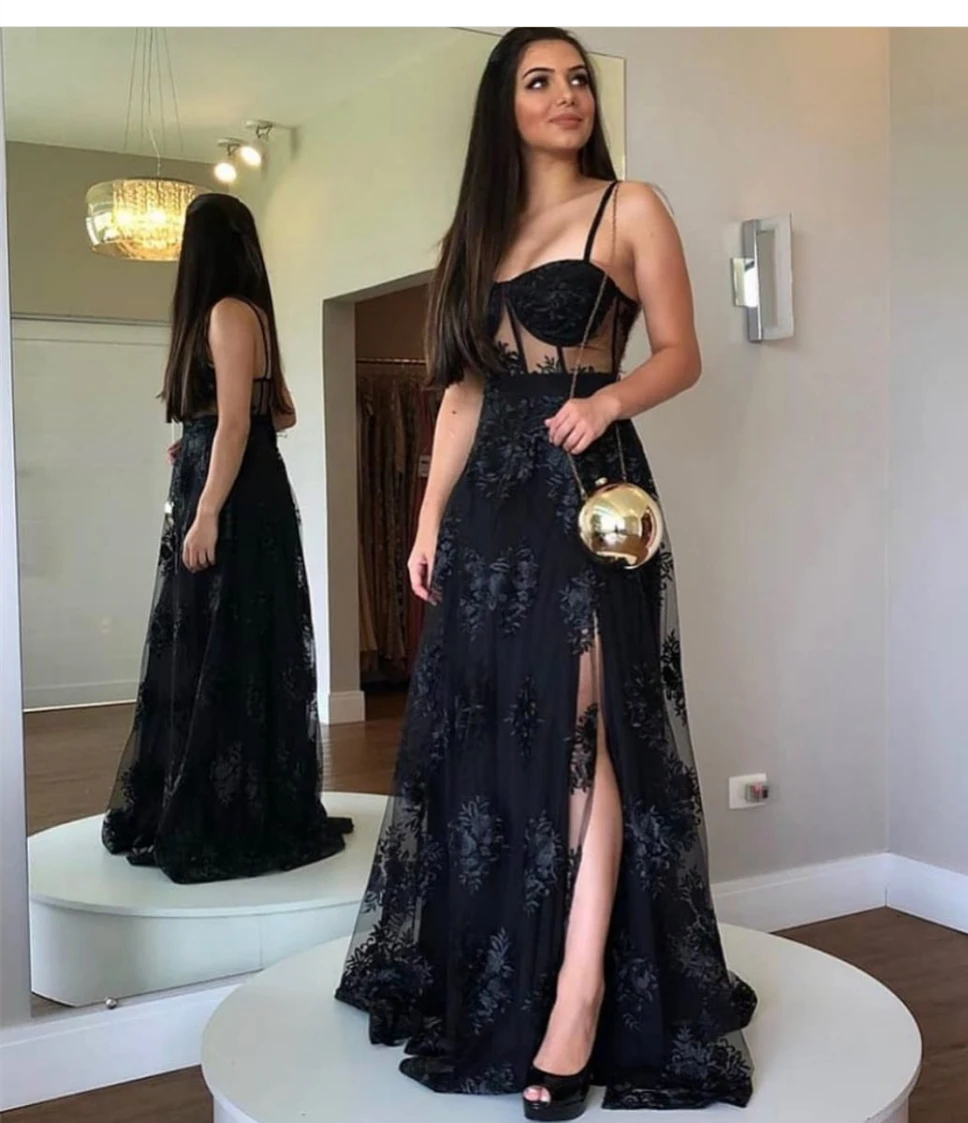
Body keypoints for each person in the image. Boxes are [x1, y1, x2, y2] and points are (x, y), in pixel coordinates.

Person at [334, 27, 756, 1118]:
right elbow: (462, 392)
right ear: (505, 107)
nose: (566, 95)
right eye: (540, 81)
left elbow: (682, 352)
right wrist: (428, 517)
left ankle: (578, 993)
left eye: (577, 79)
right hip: (489, 507)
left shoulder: (631, 206)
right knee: (496, 728)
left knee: (586, 728)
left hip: (587, 492)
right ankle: (508, 964)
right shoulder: (474, 236)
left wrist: (607, 399)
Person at [101, 193, 352, 884]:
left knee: (222, 641)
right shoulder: (249, 314)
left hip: (236, 502)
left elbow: (243, 423)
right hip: (242, 485)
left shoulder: (226, 314)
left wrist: (208, 503)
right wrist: (199, 440)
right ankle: (235, 793)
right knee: (229, 638)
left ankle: (226, 807)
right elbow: (278, 413)